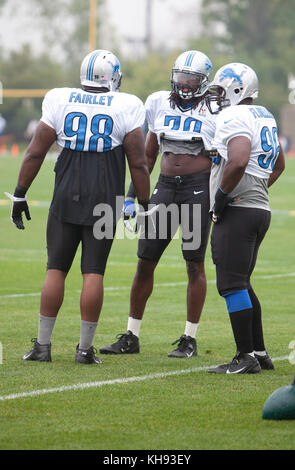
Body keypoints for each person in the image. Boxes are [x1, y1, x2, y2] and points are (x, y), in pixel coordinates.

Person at [6, 49, 150, 364]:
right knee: (93, 272)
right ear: (112, 76)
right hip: (105, 194)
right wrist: (145, 204)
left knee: (55, 268)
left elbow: (34, 152)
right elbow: (138, 163)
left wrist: (19, 193)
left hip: (66, 190)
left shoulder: (60, 99)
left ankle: (43, 347)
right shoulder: (126, 105)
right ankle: (84, 349)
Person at [100, 50, 217, 358]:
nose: (186, 85)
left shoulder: (217, 110)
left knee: (194, 263)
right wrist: (131, 197)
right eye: (181, 78)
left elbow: (223, 159)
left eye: (192, 80)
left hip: (197, 190)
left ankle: (189, 337)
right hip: (164, 189)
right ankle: (131, 334)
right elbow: (147, 156)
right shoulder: (157, 102)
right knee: (145, 260)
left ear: (204, 82)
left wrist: (220, 197)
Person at [205, 62, 285, 374]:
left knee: (231, 284)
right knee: (243, 283)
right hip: (258, 208)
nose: (217, 97)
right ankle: (260, 353)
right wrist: (256, 190)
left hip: (238, 208)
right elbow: (278, 165)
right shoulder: (262, 114)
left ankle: (244, 357)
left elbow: (237, 160)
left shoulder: (233, 115)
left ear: (238, 90)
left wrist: (221, 199)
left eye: (221, 90)